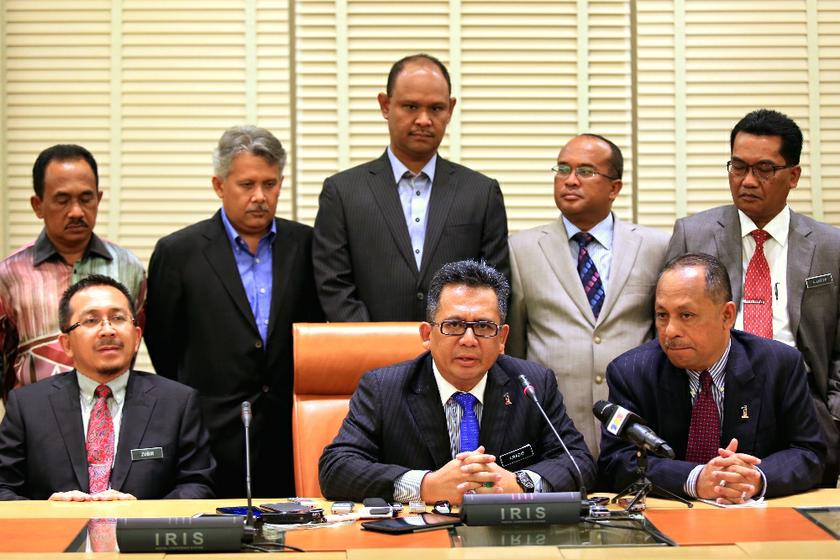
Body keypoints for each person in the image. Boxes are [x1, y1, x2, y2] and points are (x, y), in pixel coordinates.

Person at [319, 260, 595, 504]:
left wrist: (519, 484)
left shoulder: (532, 385)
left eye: (484, 327)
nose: (468, 339)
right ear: (427, 334)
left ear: (502, 339)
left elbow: (579, 461)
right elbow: (337, 469)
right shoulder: (384, 388)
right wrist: (425, 486)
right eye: (453, 325)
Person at [144, 125, 322, 498]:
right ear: (219, 185)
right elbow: (163, 343)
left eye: (270, 184)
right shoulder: (178, 253)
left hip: (290, 431)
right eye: (247, 185)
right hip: (210, 434)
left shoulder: (307, 245)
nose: (260, 196)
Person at [664, 109, 840, 485]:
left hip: (804, 408)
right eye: (738, 166)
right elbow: (668, 322)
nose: (747, 180)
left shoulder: (830, 246)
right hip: (713, 399)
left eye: (763, 169)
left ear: (793, 176)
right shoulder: (692, 234)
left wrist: (833, 414)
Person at [598, 254, 825, 502]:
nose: (670, 331)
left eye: (686, 315)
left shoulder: (779, 365)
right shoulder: (631, 372)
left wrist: (756, 477)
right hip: (673, 518)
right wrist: (695, 479)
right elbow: (616, 461)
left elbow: (808, 451)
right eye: (662, 315)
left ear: (727, 315)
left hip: (758, 519)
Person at [313, 53, 509, 322]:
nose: (424, 120)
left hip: (455, 353)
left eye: (436, 108)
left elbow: (494, 286)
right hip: (369, 353)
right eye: (411, 107)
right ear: (385, 105)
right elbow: (333, 285)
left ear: (450, 109)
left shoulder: (481, 193)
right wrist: (373, 344)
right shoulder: (343, 193)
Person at [507, 134, 669, 455]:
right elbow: (514, 350)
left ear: (615, 187)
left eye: (585, 171)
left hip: (635, 429)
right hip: (553, 430)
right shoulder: (520, 249)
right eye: (562, 169)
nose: (569, 180)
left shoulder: (656, 247)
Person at [0, 275, 215, 500]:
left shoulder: (177, 402)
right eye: (91, 320)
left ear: (137, 337)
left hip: (141, 535)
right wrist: (49, 513)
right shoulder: (28, 406)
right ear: (67, 344)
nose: (108, 330)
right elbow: (3, 487)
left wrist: (141, 515)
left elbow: (197, 484)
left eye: (118, 318)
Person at [0, 144, 146, 400]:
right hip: (34, 425)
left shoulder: (129, 268)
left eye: (86, 198)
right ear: (38, 205)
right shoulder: (9, 275)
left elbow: (131, 347)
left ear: (98, 199)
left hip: (111, 422)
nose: (77, 212)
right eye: (62, 200)